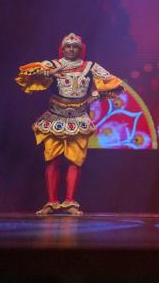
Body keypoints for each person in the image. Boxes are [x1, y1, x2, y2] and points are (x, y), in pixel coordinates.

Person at [15, 33, 122, 216]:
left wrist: (97, 94)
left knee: (75, 161)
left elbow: (116, 84)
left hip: (79, 118)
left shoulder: (91, 67)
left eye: (75, 46)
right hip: (55, 117)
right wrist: (49, 72)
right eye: (68, 46)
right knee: (52, 159)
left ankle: (70, 202)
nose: (71, 49)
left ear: (80, 49)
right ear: (62, 48)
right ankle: (51, 202)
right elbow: (25, 75)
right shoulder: (53, 64)